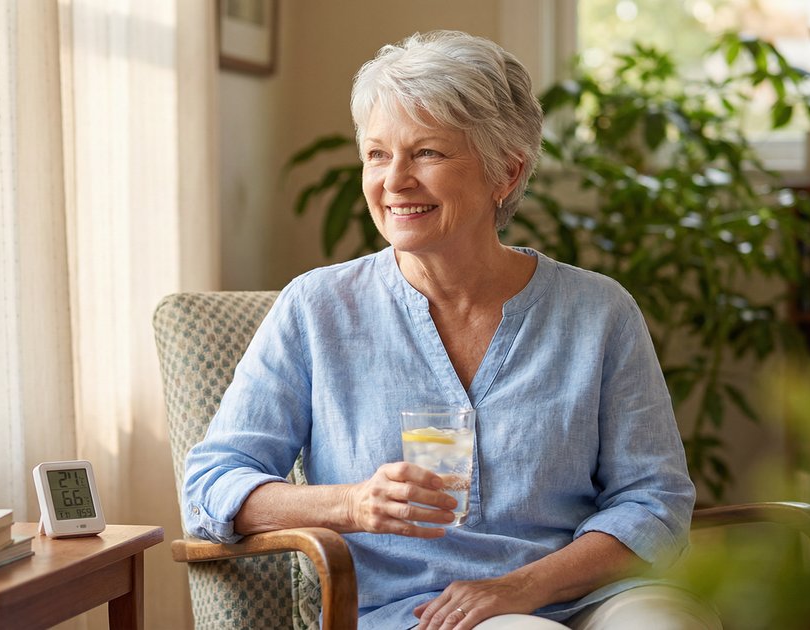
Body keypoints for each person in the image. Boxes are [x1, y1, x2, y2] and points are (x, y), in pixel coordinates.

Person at [182, 30, 718, 630]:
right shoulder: (317, 308)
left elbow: (655, 502)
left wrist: (520, 586)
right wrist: (353, 503)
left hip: (590, 595)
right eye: (378, 154)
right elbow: (212, 486)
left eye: (428, 154)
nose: (395, 181)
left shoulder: (599, 312)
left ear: (505, 173)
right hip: (417, 612)